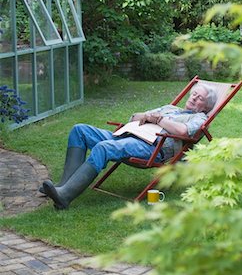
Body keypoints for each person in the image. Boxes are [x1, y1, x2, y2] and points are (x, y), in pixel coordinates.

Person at [41, 83, 217, 210]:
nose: (193, 98)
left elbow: (183, 132)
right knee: (79, 130)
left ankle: (64, 196)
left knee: (103, 147)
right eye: (194, 93)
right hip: (126, 135)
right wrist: (147, 115)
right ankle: (62, 186)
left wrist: (157, 119)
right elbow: (134, 118)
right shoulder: (170, 108)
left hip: (150, 147)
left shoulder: (199, 119)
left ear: (206, 106)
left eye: (200, 97)